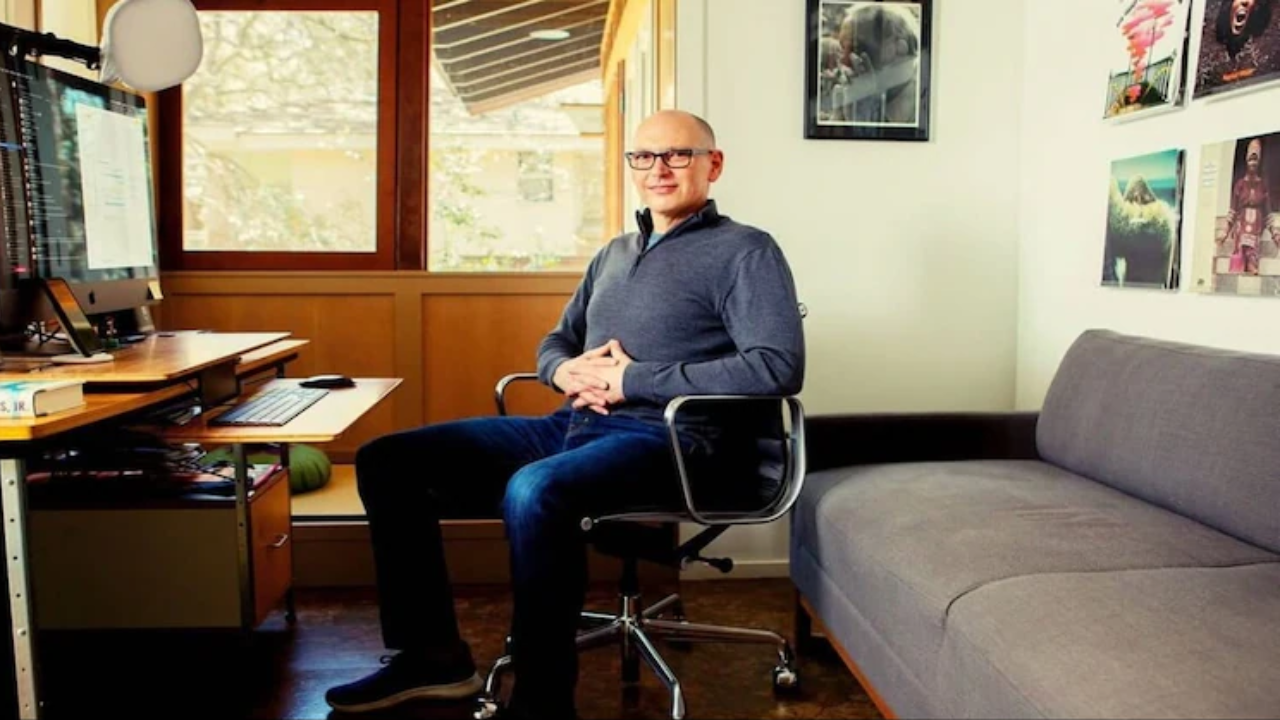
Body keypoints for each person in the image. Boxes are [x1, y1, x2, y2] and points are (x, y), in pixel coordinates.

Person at [324, 109, 806, 718]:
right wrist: (562, 371)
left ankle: (543, 702)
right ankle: (434, 658)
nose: (659, 169)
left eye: (678, 154)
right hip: (574, 426)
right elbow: (556, 341)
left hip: (677, 443)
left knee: (536, 488)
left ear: (714, 165)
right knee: (388, 460)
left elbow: (777, 367)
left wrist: (633, 379)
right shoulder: (614, 253)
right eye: (644, 156)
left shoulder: (746, 251)